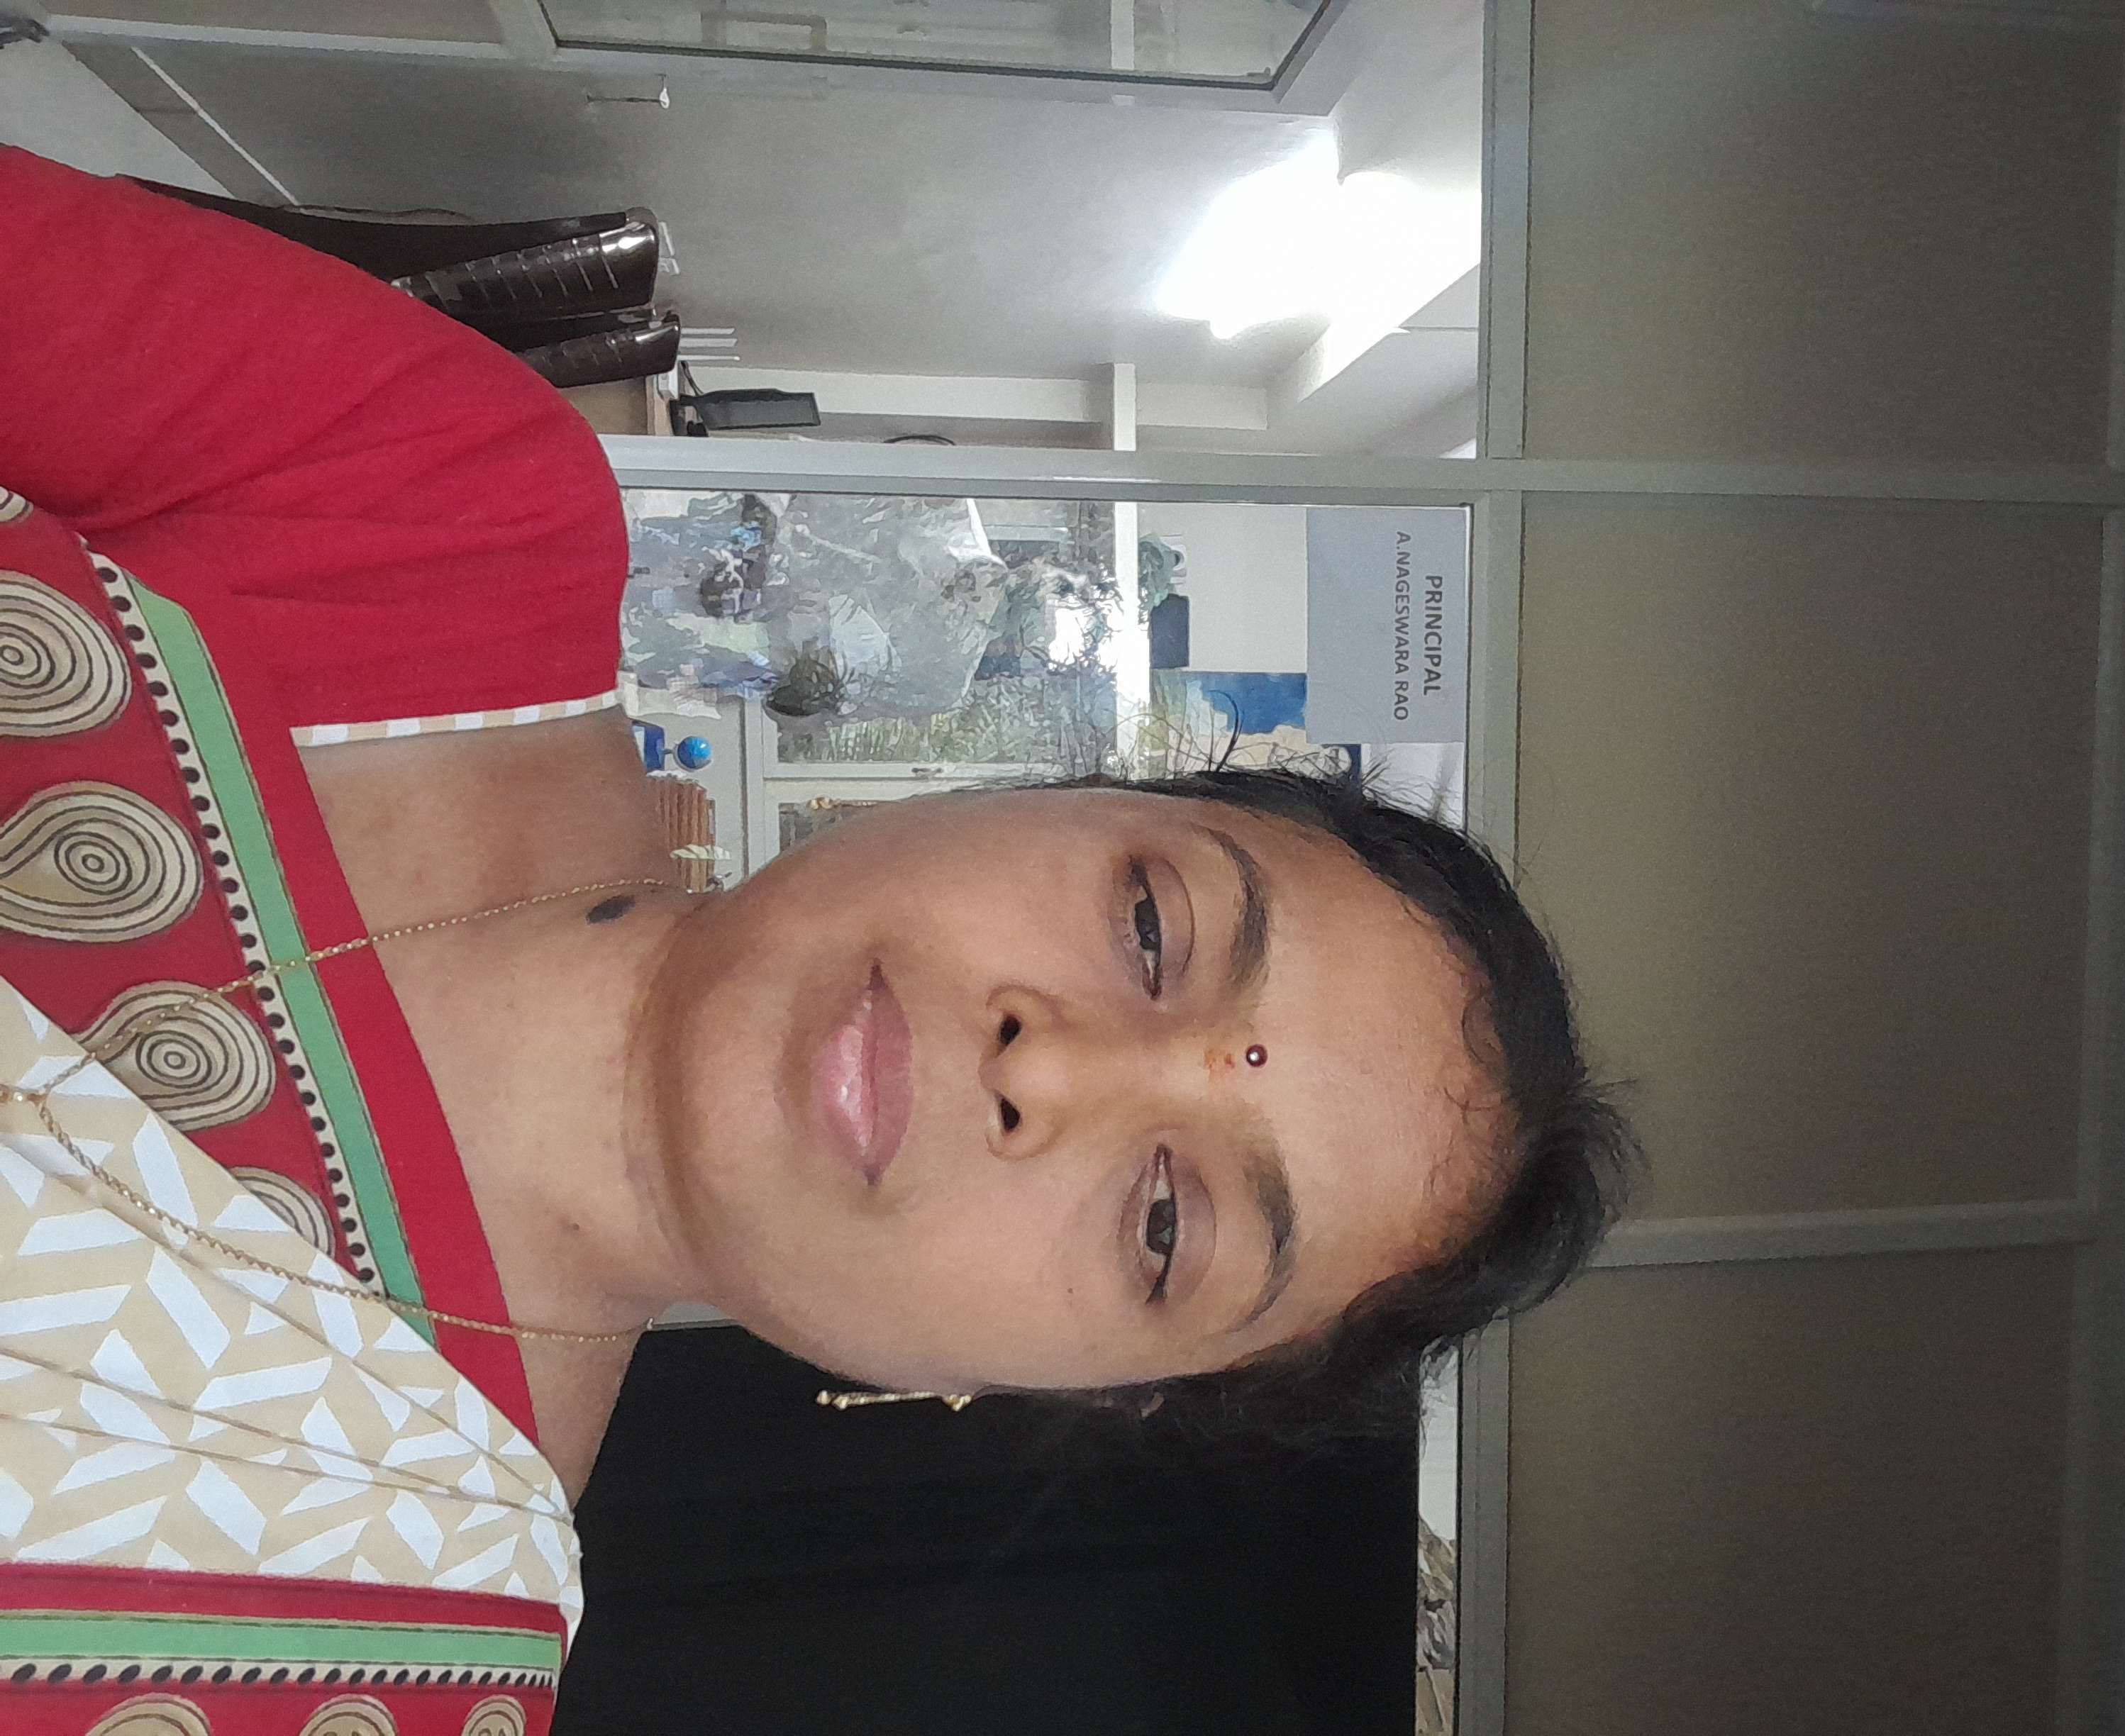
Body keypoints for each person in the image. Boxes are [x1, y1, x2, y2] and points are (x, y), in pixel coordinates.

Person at [0, 148, 1632, 1735]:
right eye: (1153, 925)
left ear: (1079, 1386)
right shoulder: (438, 507)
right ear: (1054, 787)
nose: (1048, 1067)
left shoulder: (360, 1638)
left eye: (1164, 1224)